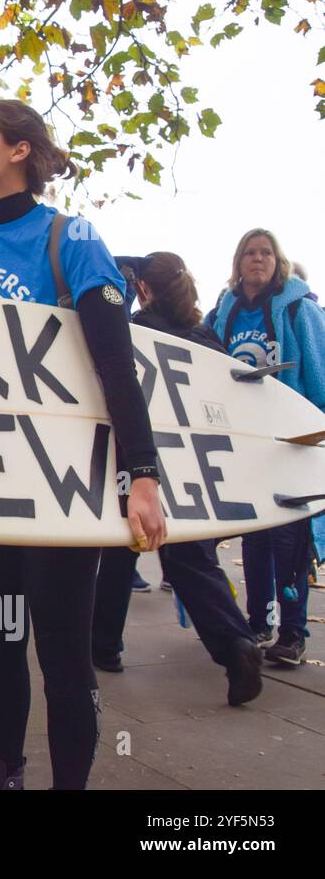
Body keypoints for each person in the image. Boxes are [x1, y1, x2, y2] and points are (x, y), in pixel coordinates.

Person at [0, 99, 167, 790]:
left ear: (19, 151)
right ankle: (4, 774)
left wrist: (142, 474)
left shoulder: (70, 239)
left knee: (63, 654)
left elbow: (116, 365)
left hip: (61, 487)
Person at [91, 252, 262, 705]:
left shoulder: (138, 330)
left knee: (121, 549)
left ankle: (104, 646)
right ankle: (235, 643)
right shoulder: (205, 336)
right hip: (195, 467)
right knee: (193, 561)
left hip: (141, 460)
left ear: (143, 288)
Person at [206, 229, 325, 666]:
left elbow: (319, 370)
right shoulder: (224, 311)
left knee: (289, 540)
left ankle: (293, 633)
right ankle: (258, 622)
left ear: (278, 261)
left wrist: (316, 428)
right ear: (238, 262)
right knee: (255, 536)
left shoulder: (299, 309)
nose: (258, 260)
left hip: (291, 440)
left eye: (266, 253)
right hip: (244, 441)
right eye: (250, 253)